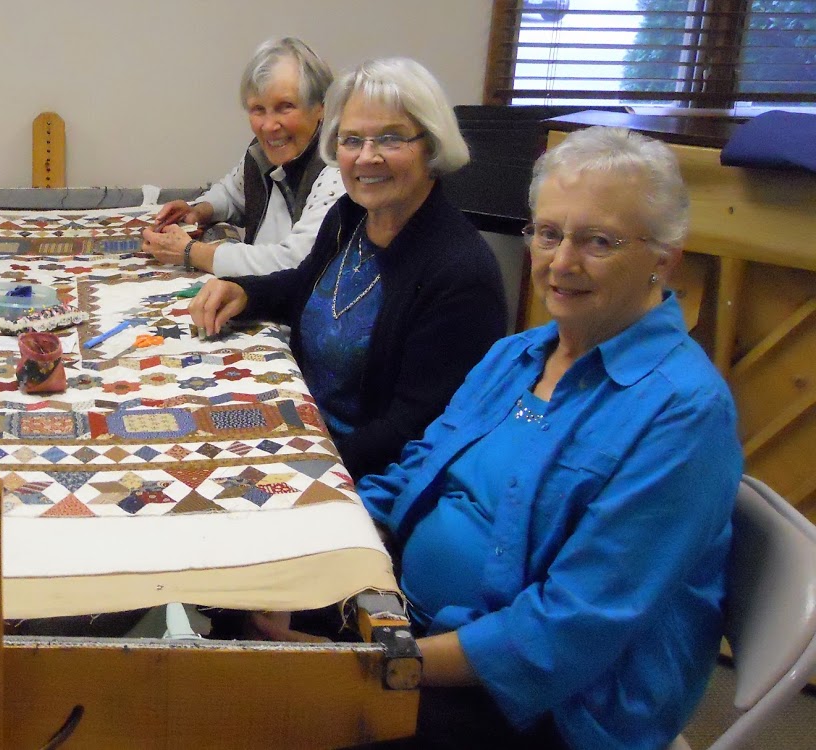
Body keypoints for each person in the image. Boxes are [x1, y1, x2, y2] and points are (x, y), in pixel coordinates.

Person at [270, 126, 741, 750]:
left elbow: (566, 632)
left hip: (544, 706)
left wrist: (373, 665)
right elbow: (415, 470)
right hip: (408, 619)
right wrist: (316, 557)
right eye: (548, 233)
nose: (562, 262)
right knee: (237, 612)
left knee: (263, 707)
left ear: (664, 257)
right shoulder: (516, 356)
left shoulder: (683, 413)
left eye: (598, 241)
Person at [189, 57, 507, 479]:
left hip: (367, 476)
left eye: (390, 139)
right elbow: (306, 285)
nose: (366, 157)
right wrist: (245, 292)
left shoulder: (460, 274)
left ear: (431, 145)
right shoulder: (350, 216)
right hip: (309, 429)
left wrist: (299, 463)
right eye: (352, 139)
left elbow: (411, 431)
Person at [142, 37, 345, 277]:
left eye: (285, 107)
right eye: (258, 109)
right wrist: (197, 210)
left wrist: (190, 252)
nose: (269, 126)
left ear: (321, 107)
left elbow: (296, 261)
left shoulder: (338, 169)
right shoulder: (262, 152)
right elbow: (232, 194)